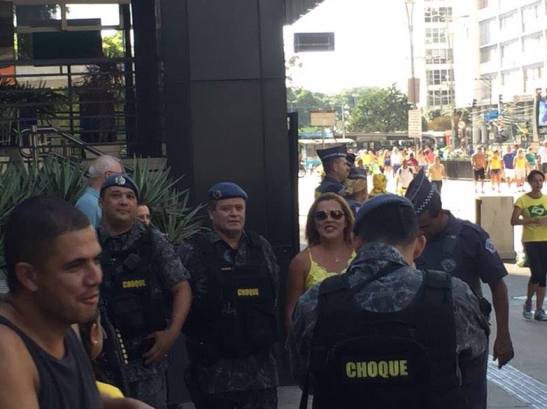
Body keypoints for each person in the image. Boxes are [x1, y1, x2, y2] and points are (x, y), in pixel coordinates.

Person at [288, 194, 489, 409]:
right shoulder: (453, 296)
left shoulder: (316, 301)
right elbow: (472, 376)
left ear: (355, 241)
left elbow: (305, 377)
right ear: (419, 245)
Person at [0, 196, 151, 408]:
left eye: (96, 260)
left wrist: (121, 405)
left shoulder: (65, 321)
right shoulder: (8, 352)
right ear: (29, 276)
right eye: (75, 266)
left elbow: (72, 396)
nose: (95, 277)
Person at [406, 170, 514, 407]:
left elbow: (498, 286)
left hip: (468, 336)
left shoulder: (470, 236)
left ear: (440, 213)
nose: (420, 233)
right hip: (423, 334)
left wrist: (503, 336)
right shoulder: (408, 238)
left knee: (470, 397)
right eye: (416, 228)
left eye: (424, 226)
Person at [179, 182, 280, 409]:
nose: (234, 213)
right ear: (211, 213)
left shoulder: (260, 246)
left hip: (260, 373)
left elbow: (273, 294)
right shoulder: (193, 250)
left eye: (239, 208)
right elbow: (180, 298)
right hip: (214, 373)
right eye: (226, 209)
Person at [96, 174, 192, 409]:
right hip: (103, 363)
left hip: (147, 361)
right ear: (101, 202)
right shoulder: (90, 242)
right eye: (115, 195)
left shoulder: (153, 241)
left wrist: (171, 334)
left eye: (130, 197)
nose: (123, 201)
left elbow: (181, 288)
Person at [286, 193, 355, 329]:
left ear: (346, 220)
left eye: (336, 214)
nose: (329, 219)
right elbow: (291, 314)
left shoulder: (361, 253)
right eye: (321, 216)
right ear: (314, 223)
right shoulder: (301, 262)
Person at [511, 170, 547, 321]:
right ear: (530, 182)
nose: (538, 184)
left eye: (540, 180)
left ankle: (539, 309)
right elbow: (514, 220)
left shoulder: (546, 199)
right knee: (537, 273)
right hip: (531, 241)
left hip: (545, 240)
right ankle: (528, 302)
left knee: (543, 276)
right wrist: (532, 220)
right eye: (535, 181)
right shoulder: (522, 200)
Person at [76, 155, 124, 227]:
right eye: (119, 176)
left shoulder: (96, 201)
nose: (121, 180)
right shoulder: (88, 203)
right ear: (108, 175)